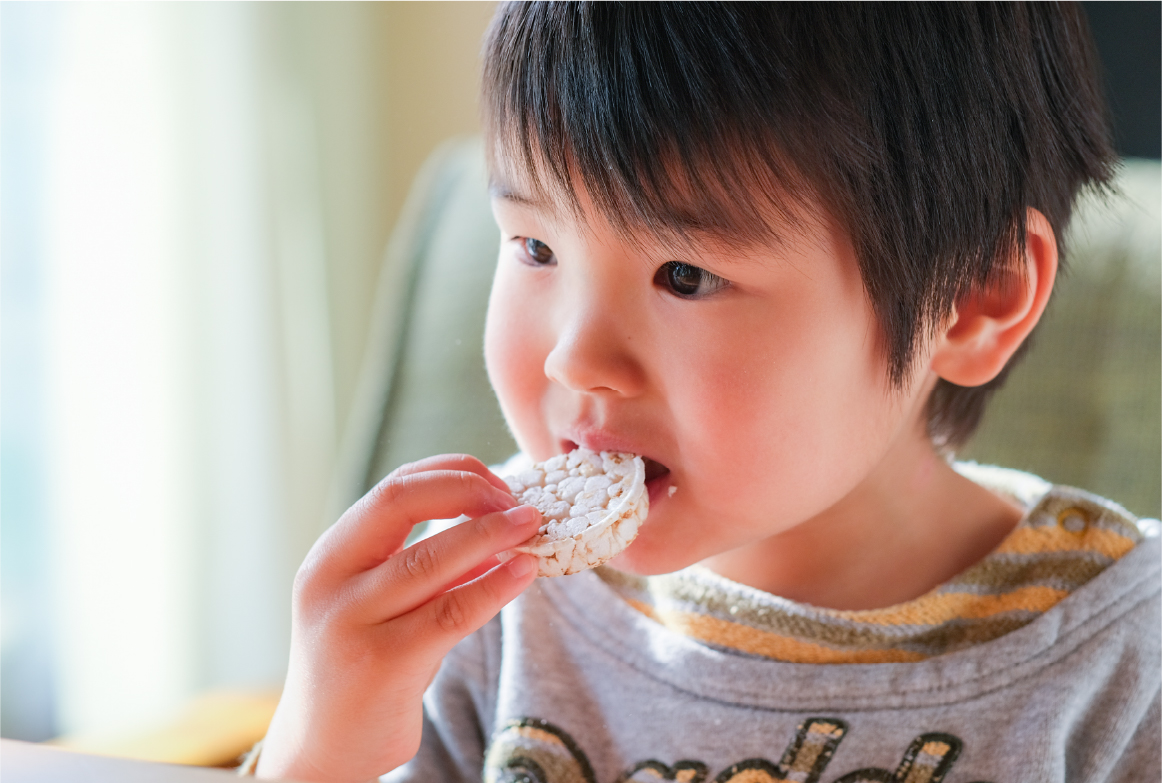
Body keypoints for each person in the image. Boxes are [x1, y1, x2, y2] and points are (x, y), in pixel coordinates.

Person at [250, 4, 1160, 782]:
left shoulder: (1127, 663)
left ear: (972, 299)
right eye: (535, 248)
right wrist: (316, 746)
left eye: (683, 275)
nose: (575, 359)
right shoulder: (479, 613)